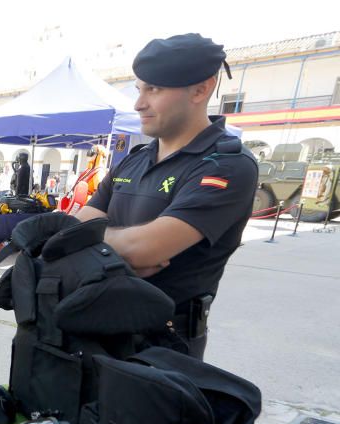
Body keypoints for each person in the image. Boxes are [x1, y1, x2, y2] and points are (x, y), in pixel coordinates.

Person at [75, 33, 258, 359]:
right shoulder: (134, 159)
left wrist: (100, 244)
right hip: (95, 328)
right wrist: (123, 252)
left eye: (154, 89)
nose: (138, 103)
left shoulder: (227, 165)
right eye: (139, 89)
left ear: (201, 89)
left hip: (163, 347)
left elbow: (144, 249)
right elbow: (76, 230)